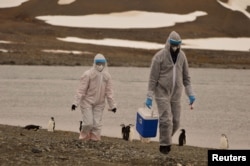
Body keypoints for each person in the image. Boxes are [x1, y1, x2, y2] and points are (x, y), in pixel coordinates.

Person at [145, 31, 196, 154]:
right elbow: (153, 78)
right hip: (162, 92)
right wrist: (149, 96)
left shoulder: (182, 56)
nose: (175, 46)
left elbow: (186, 78)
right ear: (168, 42)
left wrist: (190, 94)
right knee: (165, 119)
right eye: (173, 44)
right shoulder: (159, 57)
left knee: (176, 122)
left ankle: (166, 139)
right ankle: (164, 146)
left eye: (177, 44)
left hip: (176, 94)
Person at [71, 53, 117, 141]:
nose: (100, 66)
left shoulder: (107, 76)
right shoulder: (88, 74)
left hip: (99, 103)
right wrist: (75, 103)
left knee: (97, 124)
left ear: (105, 64)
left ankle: (95, 139)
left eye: (102, 63)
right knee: (88, 123)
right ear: (94, 63)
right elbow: (81, 89)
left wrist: (112, 106)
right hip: (87, 102)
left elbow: (109, 92)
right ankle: (84, 137)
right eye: (98, 63)